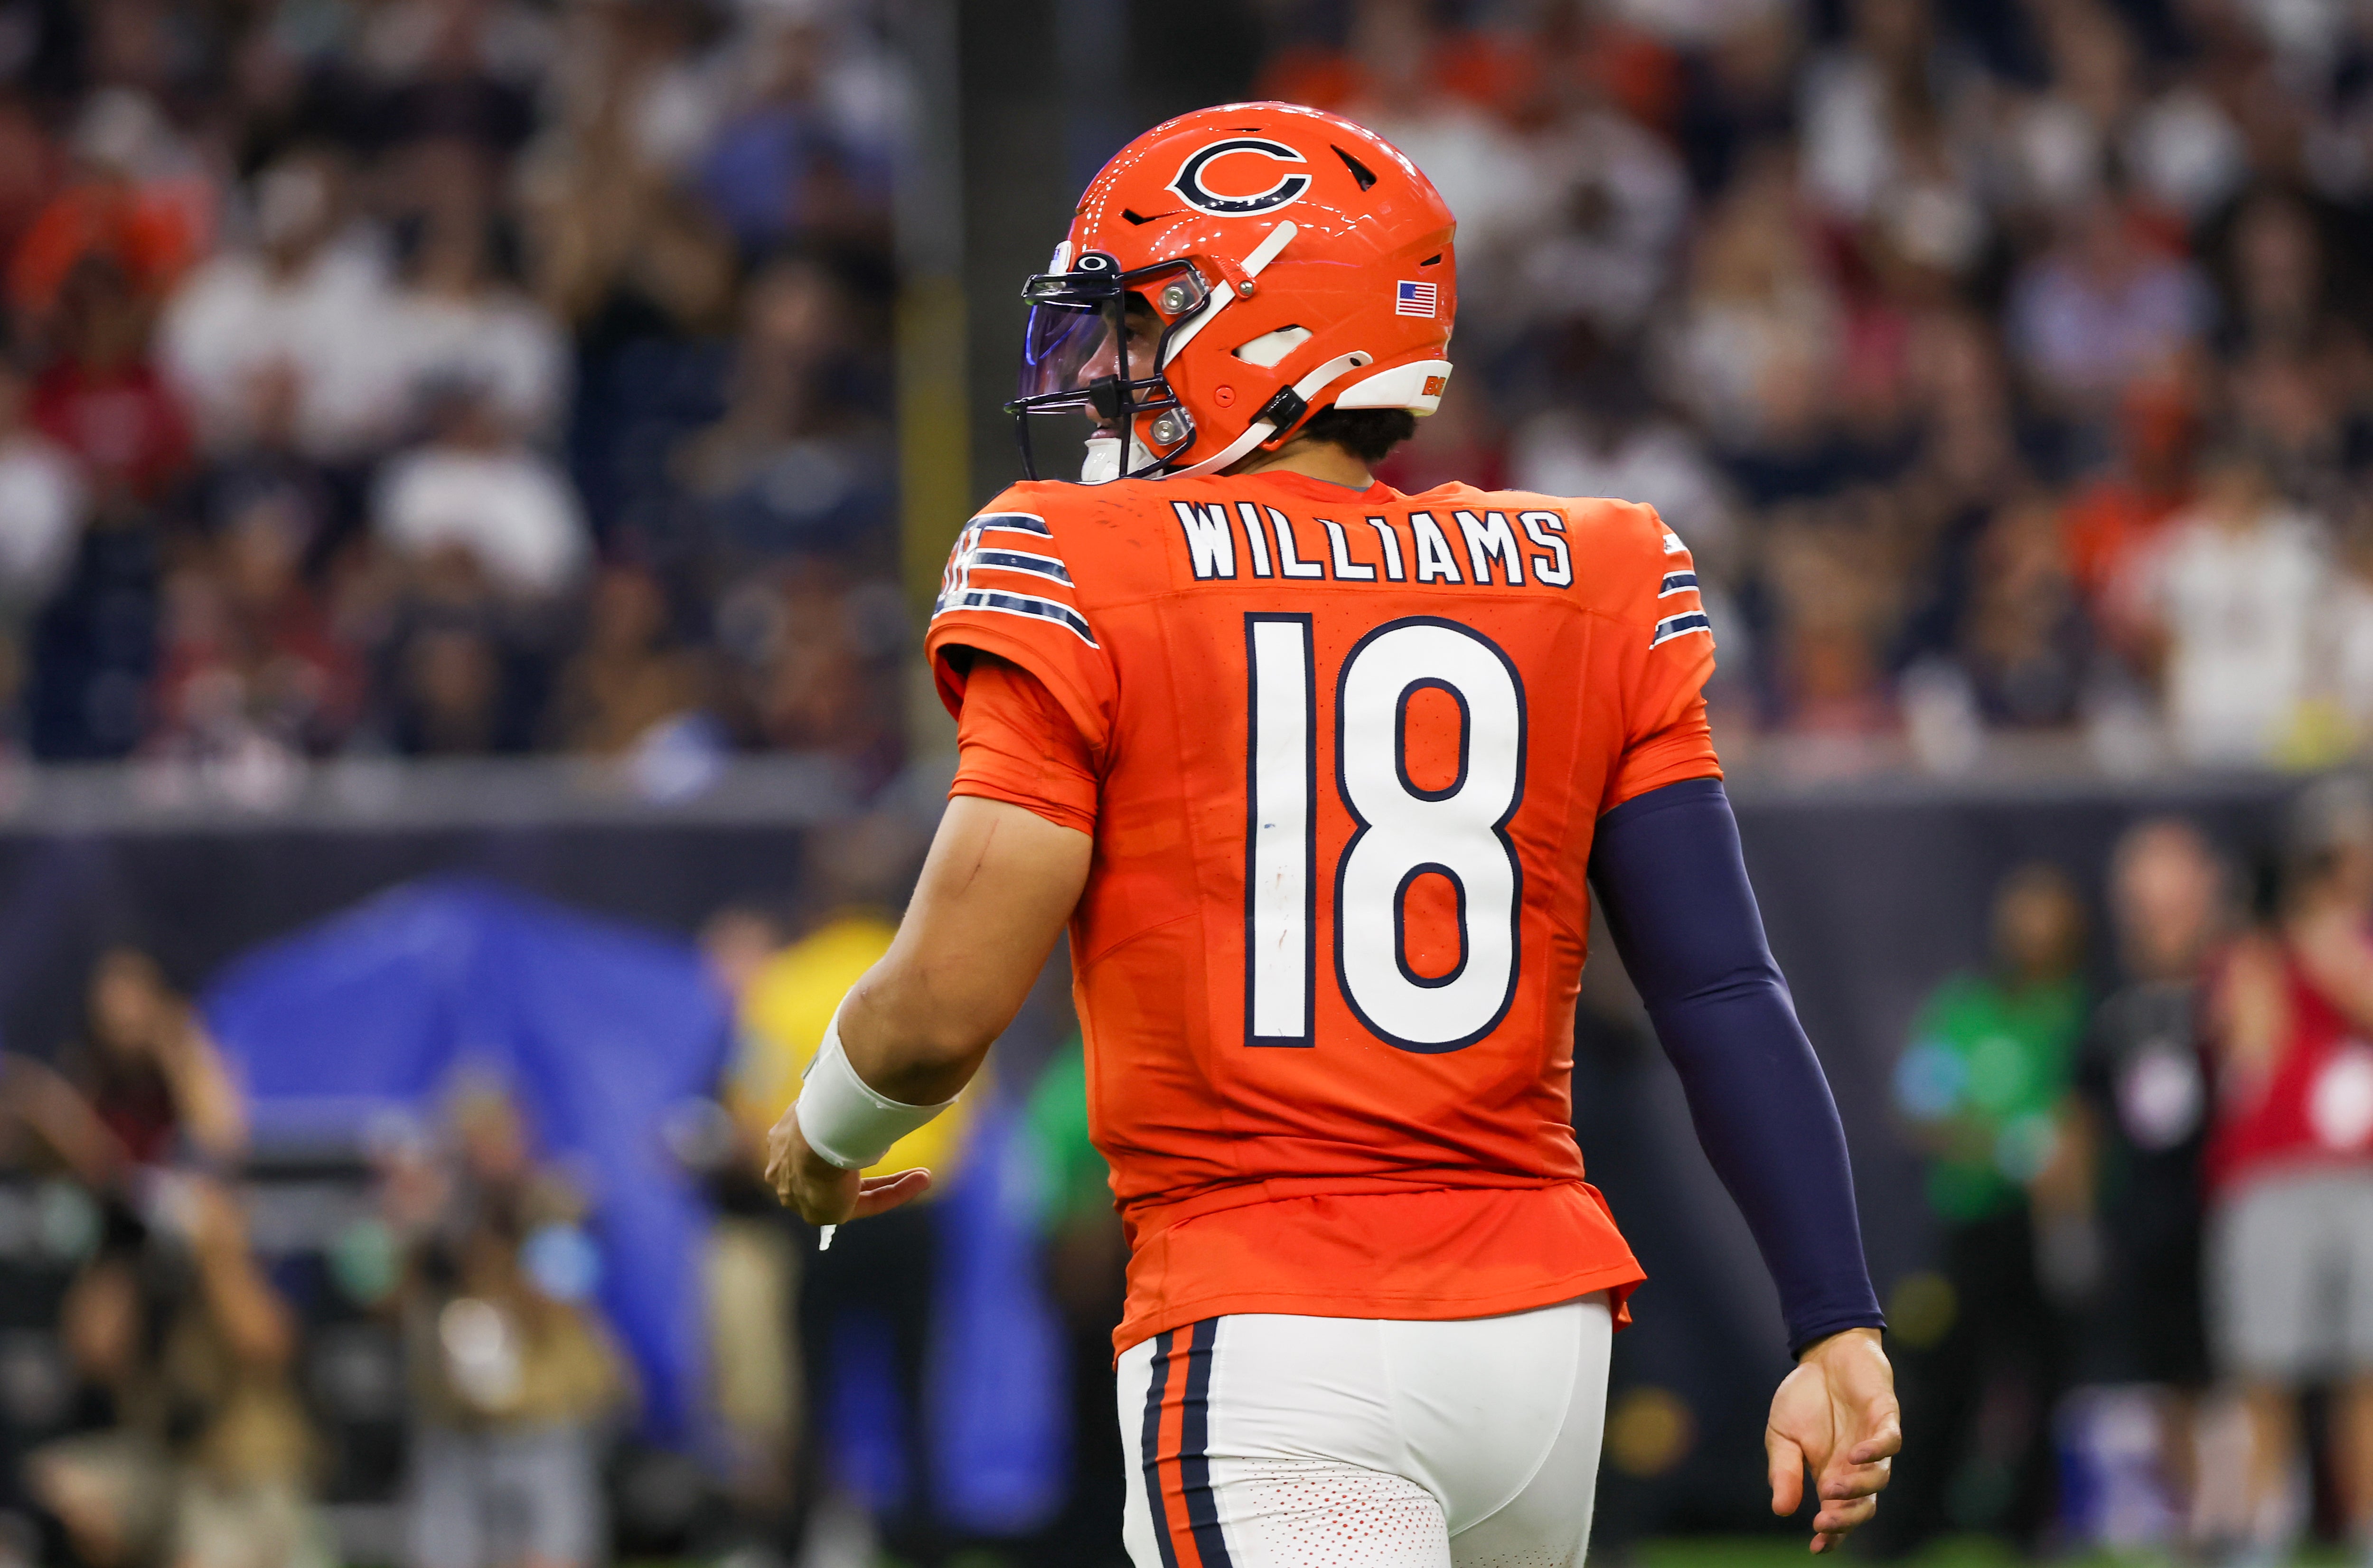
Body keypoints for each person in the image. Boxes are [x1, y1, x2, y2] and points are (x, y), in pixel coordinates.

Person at [765, 103, 1897, 1568]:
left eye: (1143, 323)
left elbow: (939, 1010)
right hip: (1539, 1354)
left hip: (1275, 1331)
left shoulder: (1080, 559)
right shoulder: (1593, 572)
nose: (1113, 375)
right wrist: (1836, 1316)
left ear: (1263, 330)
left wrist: (820, 1135)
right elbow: (1723, 994)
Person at [1882, 862, 2090, 1552]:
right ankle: (1910, 1527)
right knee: (1948, 1376)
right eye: (2021, 913)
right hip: (1973, 1222)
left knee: (2046, 1378)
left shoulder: (2078, 1013)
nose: (2031, 929)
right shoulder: (1967, 1009)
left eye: (2046, 913)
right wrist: (2007, 1146)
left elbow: (2090, 1121)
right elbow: (1920, 1107)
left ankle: (2028, 1528)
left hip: (2051, 1228)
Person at [2202, 777, 2373, 1564]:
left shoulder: (2339, 942)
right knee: (2264, 1366)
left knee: (2365, 1372)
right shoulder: (2257, 951)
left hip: (2361, 1178)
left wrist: (2320, 932)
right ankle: (2262, 1534)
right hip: (2272, 1178)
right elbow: (2246, 1048)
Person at [2073, 819, 2224, 1518]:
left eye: (2173, 890)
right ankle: (2192, 1526)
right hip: (2146, 1218)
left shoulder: (2236, 986)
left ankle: (2253, 1521)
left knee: (2249, 1368)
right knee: (2169, 1379)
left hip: (2230, 1208)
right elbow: (2086, 1118)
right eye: (2143, 894)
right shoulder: (2109, 1006)